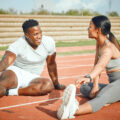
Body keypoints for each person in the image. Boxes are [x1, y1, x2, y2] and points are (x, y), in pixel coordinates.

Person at [57, 15, 120, 119]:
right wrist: (95, 86)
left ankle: (73, 110)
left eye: (90, 26)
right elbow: (96, 64)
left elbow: (100, 66)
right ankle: (110, 96)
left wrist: (88, 76)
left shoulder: (108, 48)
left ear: (98, 30)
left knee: (103, 94)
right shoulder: (99, 44)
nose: (88, 29)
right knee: (85, 87)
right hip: (114, 84)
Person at [0, 19, 65, 97]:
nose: (39, 36)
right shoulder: (18, 44)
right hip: (16, 73)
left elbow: (51, 64)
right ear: (27, 35)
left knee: (48, 85)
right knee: (2, 86)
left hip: (33, 77)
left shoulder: (49, 42)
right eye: (35, 34)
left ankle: (11, 92)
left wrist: (56, 84)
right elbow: (7, 60)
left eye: (40, 32)